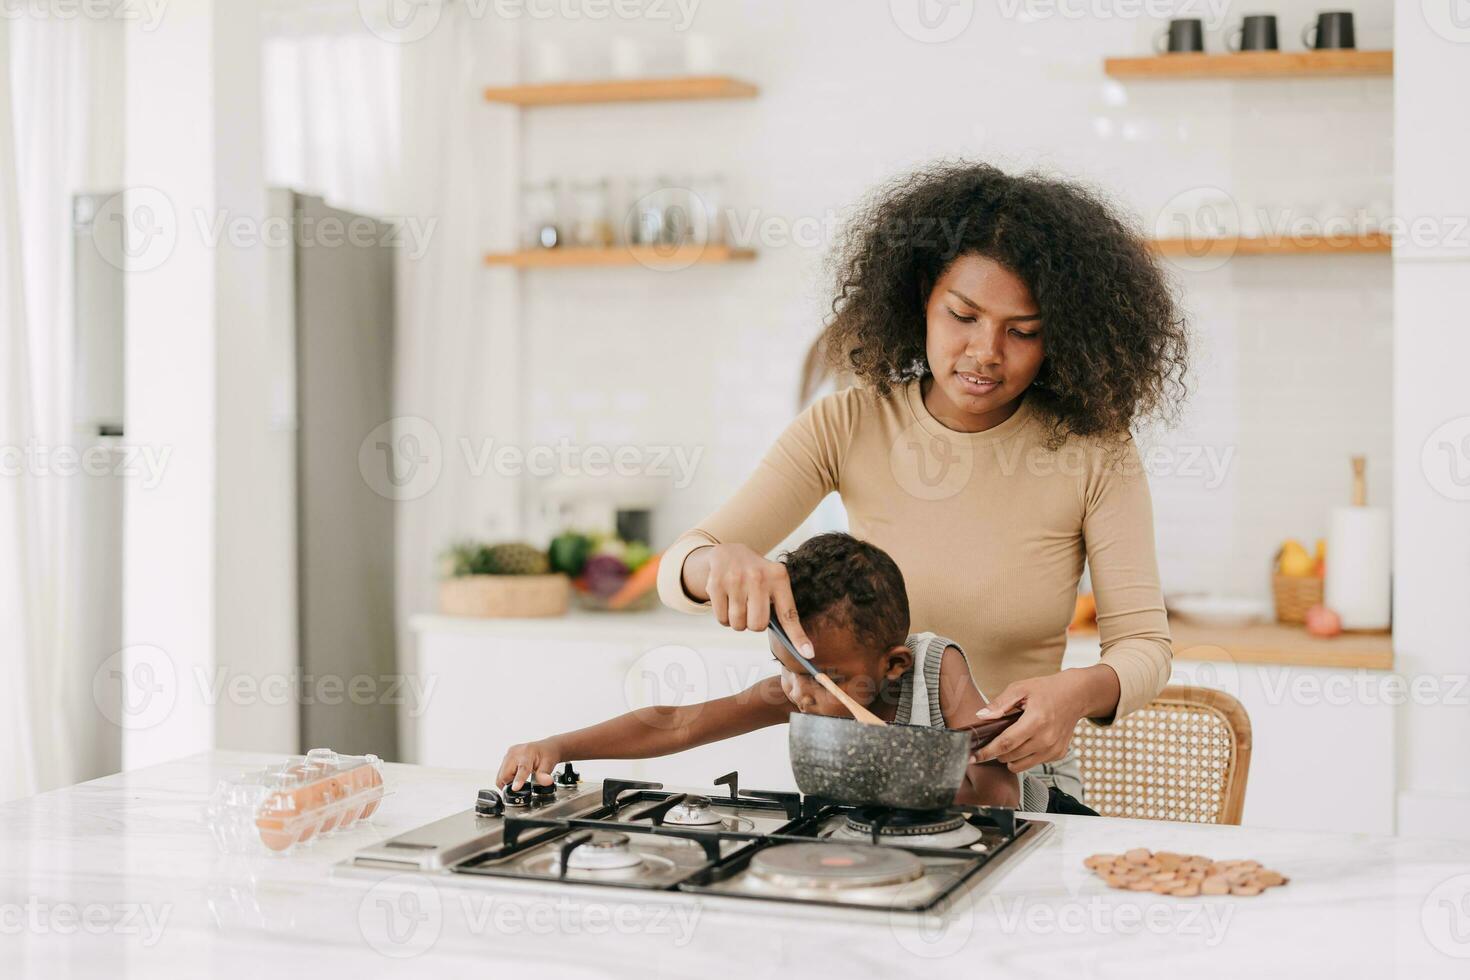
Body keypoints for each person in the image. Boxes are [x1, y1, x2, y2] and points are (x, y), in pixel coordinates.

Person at [655, 162, 1189, 809]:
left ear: (1063, 338)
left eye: (1023, 331)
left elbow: (1144, 647)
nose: (986, 351)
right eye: (963, 315)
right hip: (869, 780)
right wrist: (715, 564)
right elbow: (679, 566)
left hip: (1017, 788)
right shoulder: (849, 422)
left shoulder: (1096, 451)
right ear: (920, 301)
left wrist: (1076, 692)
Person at [498, 533, 1044, 809]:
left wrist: (898, 771)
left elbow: (998, 795)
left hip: (1042, 830)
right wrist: (557, 746)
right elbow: (674, 722)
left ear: (892, 664)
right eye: (787, 668)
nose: (796, 691)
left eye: (820, 674)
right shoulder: (796, 690)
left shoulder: (935, 670)